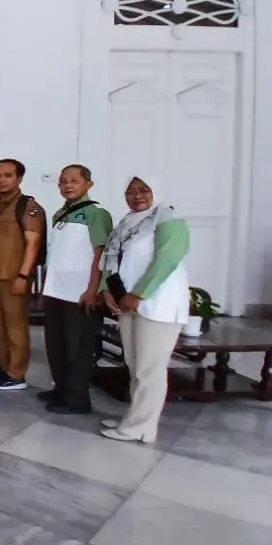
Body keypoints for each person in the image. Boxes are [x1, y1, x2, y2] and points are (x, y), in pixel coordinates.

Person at [98, 175, 190, 444]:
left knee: (150, 368)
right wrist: (106, 289)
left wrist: (138, 294)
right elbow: (111, 259)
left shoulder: (168, 219)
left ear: (156, 191)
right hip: (127, 302)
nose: (136, 196)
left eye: (143, 190)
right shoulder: (127, 222)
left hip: (157, 303)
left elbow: (168, 259)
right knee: (135, 365)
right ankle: (138, 421)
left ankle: (138, 426)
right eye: (130, 191)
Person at [40, 164, 113, 415]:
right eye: (63, 181)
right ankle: (61, 389)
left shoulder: (96, 213)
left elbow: (101, 254)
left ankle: (77, 399)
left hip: (80, 293)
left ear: (88, 184)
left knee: (78, 347)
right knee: (56, 345)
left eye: (74, 181)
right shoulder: (60, 214)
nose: (67, 185)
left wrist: (93, 289)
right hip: (56, 290)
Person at [0, 159, 46, 391]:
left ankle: (16, 373)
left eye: (7, 175)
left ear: (18, 179)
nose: (1, 180)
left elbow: (33, 244)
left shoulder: (27, 206)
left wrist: (23, 275)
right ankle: (1, 366)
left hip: (13, 275)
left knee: (15, 327)